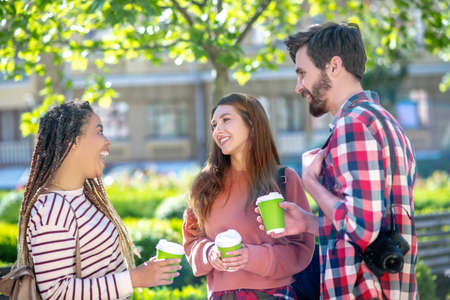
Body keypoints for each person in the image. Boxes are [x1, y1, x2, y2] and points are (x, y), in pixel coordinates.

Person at [257, 22, 418, 299]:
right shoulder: (384, 122)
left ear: (334, 66)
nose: (299, 87)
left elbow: (362, 229)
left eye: (302, 73)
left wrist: (311, 183)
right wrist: (309, 224)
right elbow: (373, 222)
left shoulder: (353, 126)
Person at [15, 101, 181, 299]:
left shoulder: (81, 197)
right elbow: (56, 293)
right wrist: (135, 279)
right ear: (73, 142)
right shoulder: (52, 208)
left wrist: (146, 273)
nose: (107, 141)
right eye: (99, 131)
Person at [183, 93, 315, 299]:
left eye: (226, 120)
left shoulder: (283, 179)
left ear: (251, 124)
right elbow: (192, 241)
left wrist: (250, 257)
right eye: (214, 125)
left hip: (274, 295)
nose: (218, 130)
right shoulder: (204, 185)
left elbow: (301, 249)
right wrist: (210, 254)